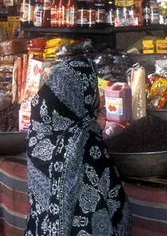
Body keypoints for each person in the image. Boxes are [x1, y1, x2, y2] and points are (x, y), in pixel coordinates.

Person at [26, 57, 131, 236]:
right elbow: (115, 200)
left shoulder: (37, 134)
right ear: (79, 94)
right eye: (93, 89)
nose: (99, 96)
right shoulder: (85, 141)